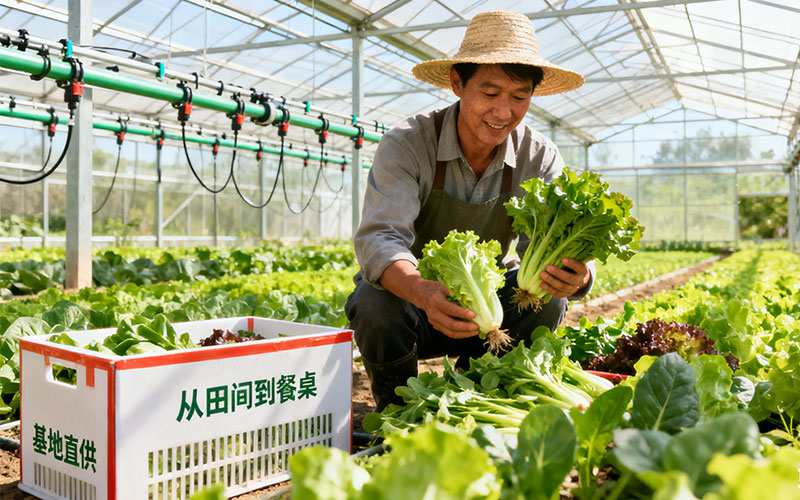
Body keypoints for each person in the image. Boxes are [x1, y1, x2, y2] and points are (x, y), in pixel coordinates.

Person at [346, 10, 594, 410]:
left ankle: (483, 397)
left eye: (519, 97)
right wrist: (423, 291)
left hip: (492, 311)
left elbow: (552, 245)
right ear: (457, 83)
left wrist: (577, 275)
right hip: (416, 304)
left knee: (548, 299)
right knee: (374, 303)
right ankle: (397, 412)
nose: (504, 112)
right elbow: (381, 238)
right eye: (490, 93)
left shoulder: (538, 156)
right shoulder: (408, 144)